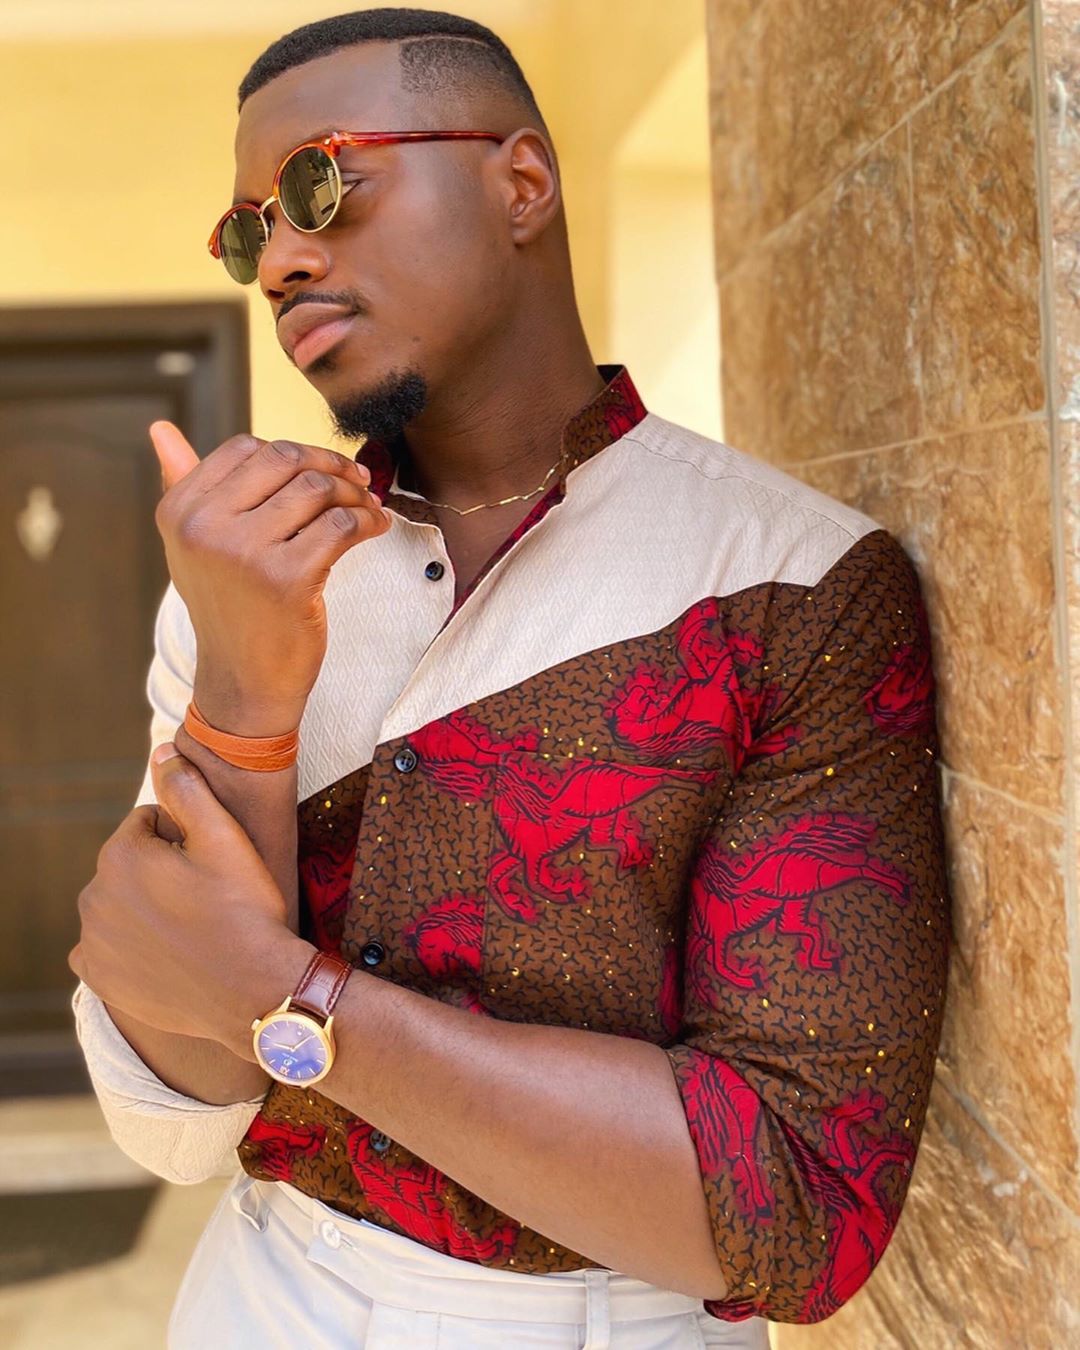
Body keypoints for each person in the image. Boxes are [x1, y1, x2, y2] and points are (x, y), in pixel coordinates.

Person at [69, 8, 951, 1348]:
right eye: (248, 235)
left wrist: (292, 1002)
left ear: (521, 181)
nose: (282, 260)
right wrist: (245, 697)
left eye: (321, 183)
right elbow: (175, 1122)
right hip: (261, 1297)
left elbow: (791, 1207)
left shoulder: (792, 584)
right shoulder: (250, 571)